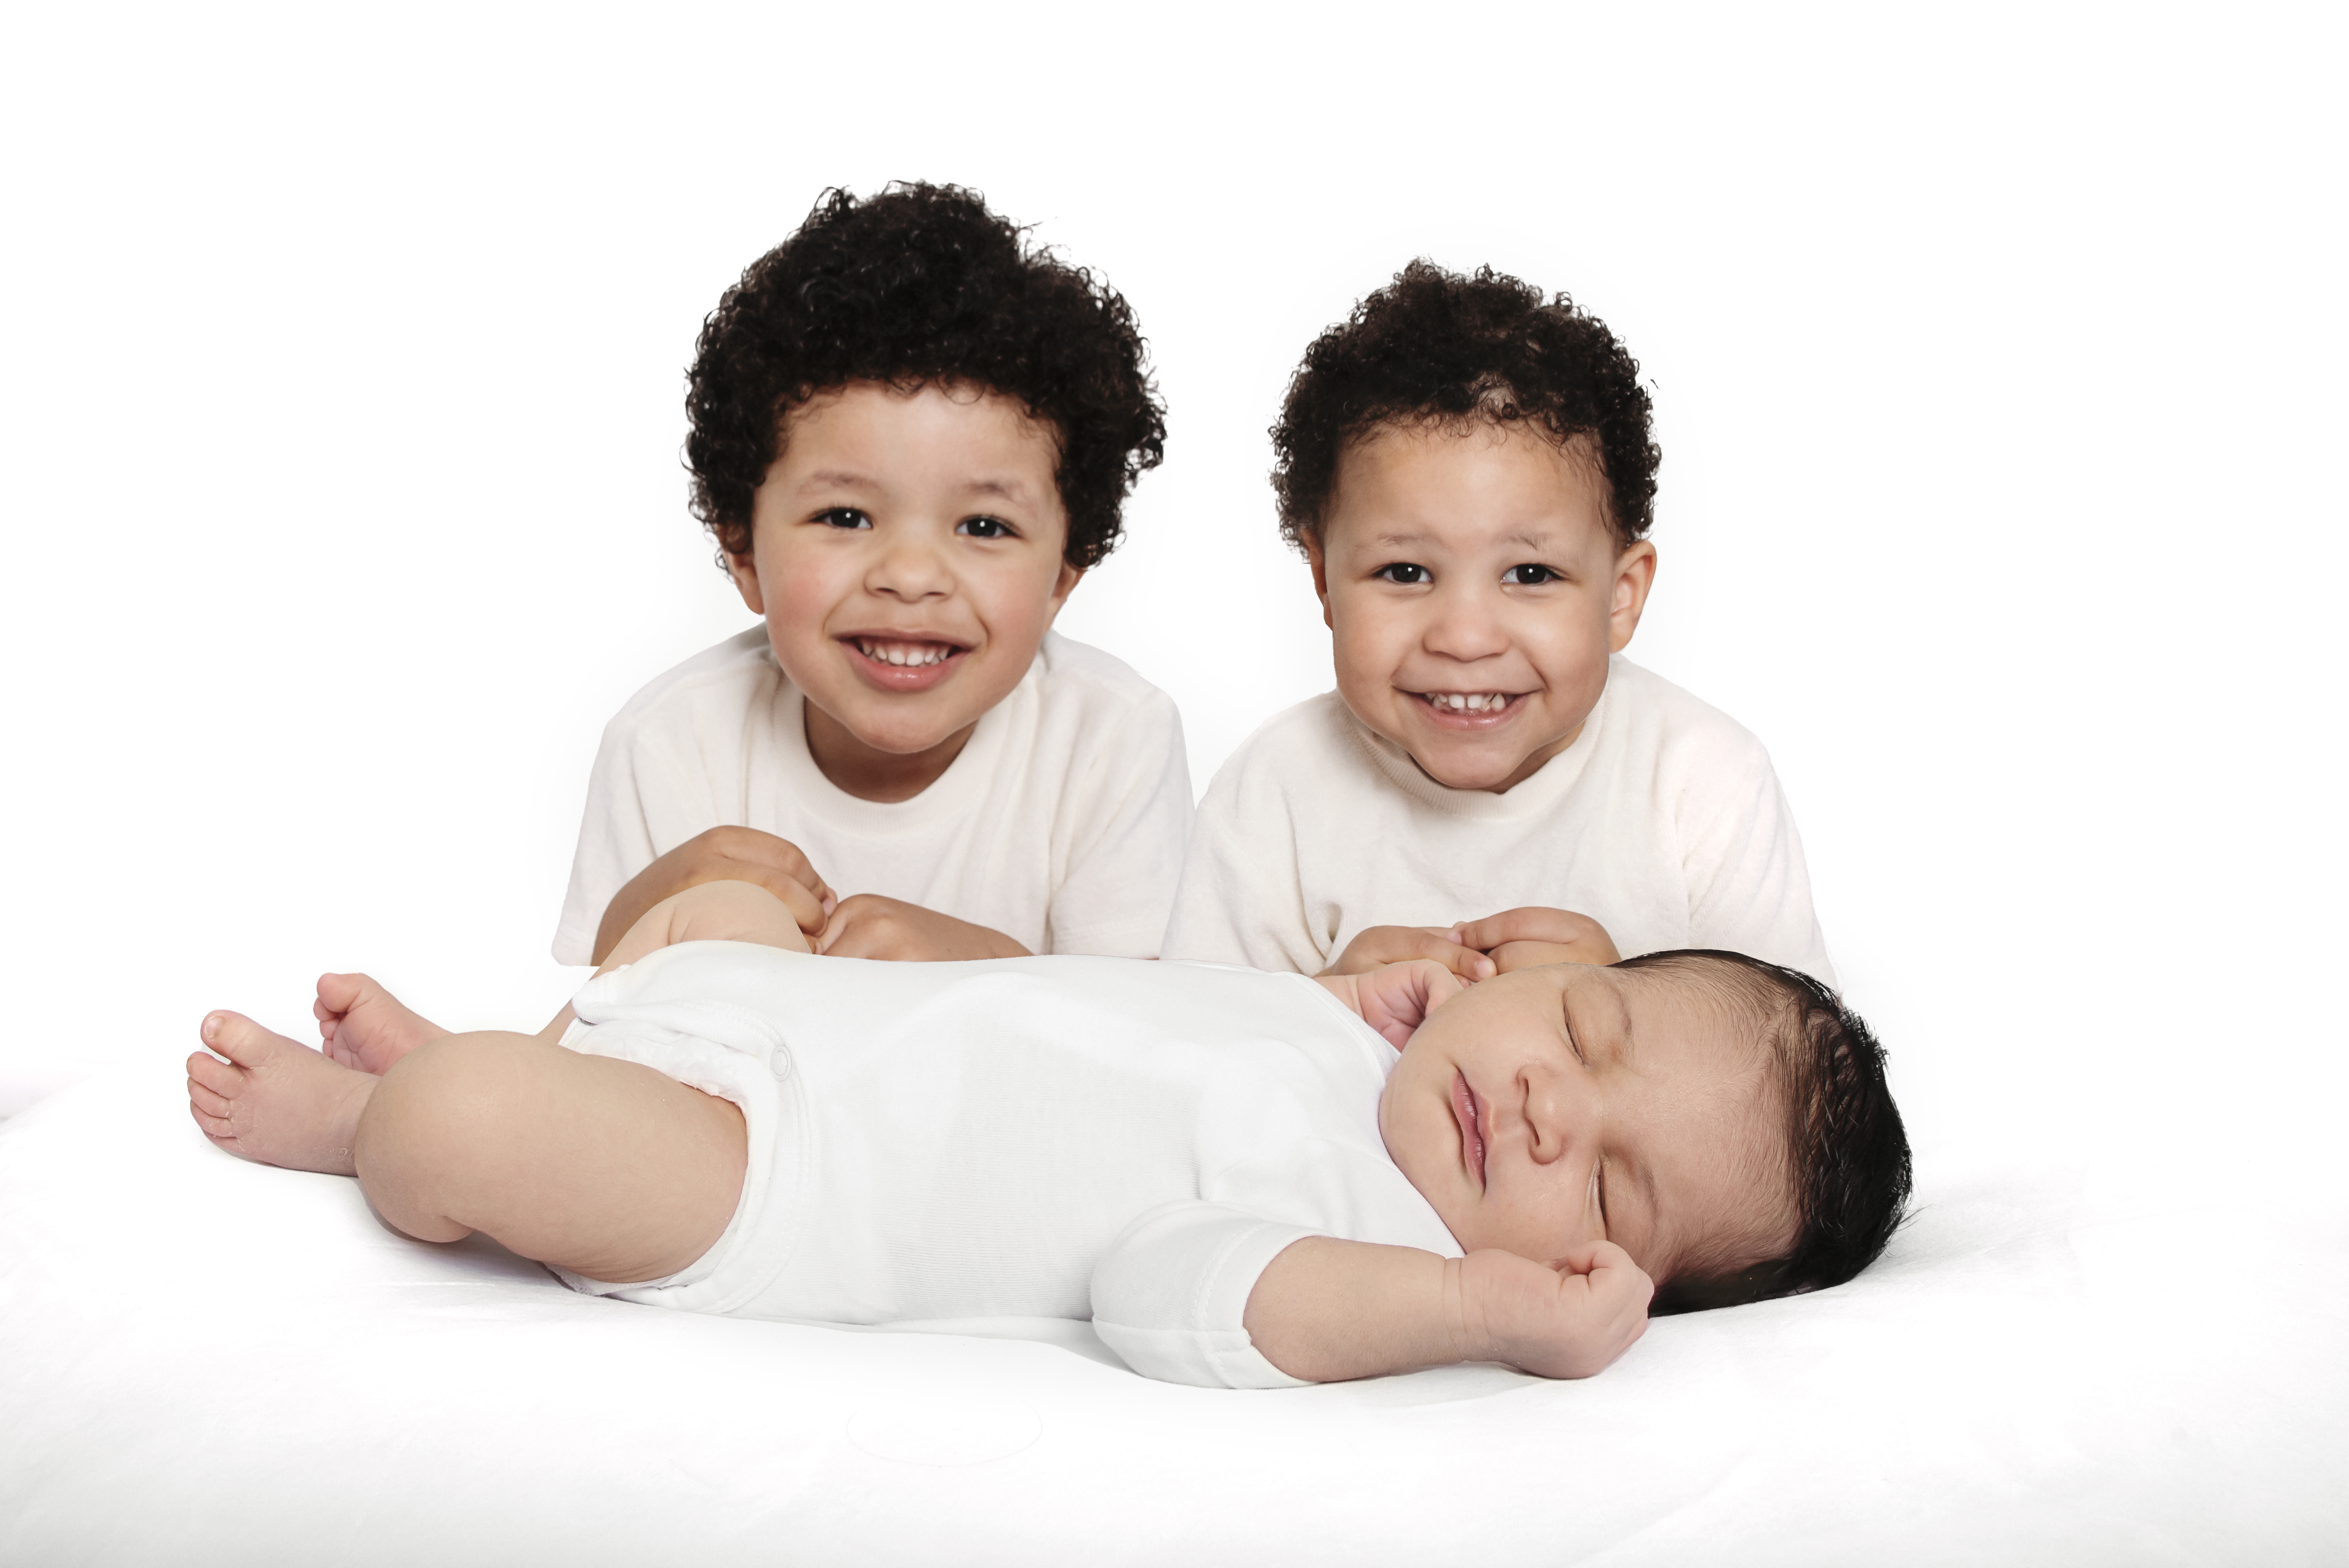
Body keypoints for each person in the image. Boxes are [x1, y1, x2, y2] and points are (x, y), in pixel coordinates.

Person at [186, 881, 1911, 1389]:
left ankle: (384, 1117)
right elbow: (1161, 1026)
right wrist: (1335, 993)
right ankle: (517, 1056)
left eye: (1603, 1177)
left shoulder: (1371, 1241)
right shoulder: (1361, 1035)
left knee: (474, 1118)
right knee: (714, 914)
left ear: (1594, 1269)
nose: (1545, 1100)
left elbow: (1174, 1292)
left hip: (772, 1181)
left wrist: (1474, 1311)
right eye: (1584, 1030)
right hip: (793, 1019)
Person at [319, 183, 1191, 1074]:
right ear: (741, 549)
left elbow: (1147, 1055)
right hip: (729, 1114)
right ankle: (453, 1087)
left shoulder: (1111, 740)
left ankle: (428, 1094)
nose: (910, 575)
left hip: (998, 1128)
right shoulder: (675, 738)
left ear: (1064, 573)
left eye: (984, 526)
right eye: (845, 516)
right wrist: (655, 904)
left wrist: (987, 968)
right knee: (617, 1083)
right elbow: (614, 1025)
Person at [1163, 261, 1833, 986]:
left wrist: (1627, 1001)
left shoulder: (1702, 783)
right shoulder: (1274, 792)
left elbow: (1802, 1054)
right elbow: (1190, 1043)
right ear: (1324, 582)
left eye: (1531, 574)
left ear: (1621, 597)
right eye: (1405, 572)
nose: (1464, 638)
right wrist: (1329, 1007)